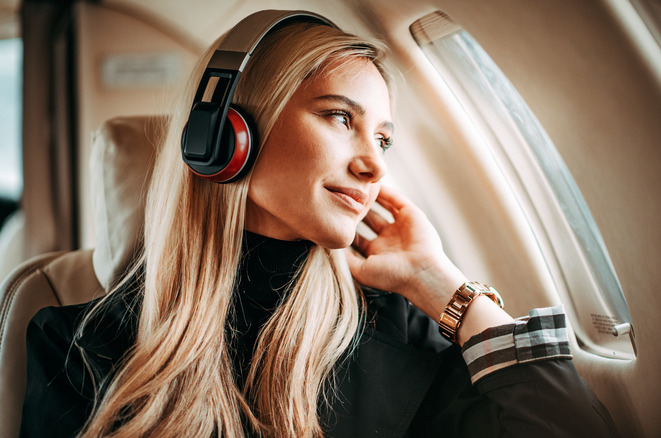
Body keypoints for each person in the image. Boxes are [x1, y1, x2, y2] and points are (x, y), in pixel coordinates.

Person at [20, 11, 619, 438]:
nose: (373, 163)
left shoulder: (399, 329)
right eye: (340, 118)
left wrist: (442, 284)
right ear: (225, 135)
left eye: (384, 139)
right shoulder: (77, 348)